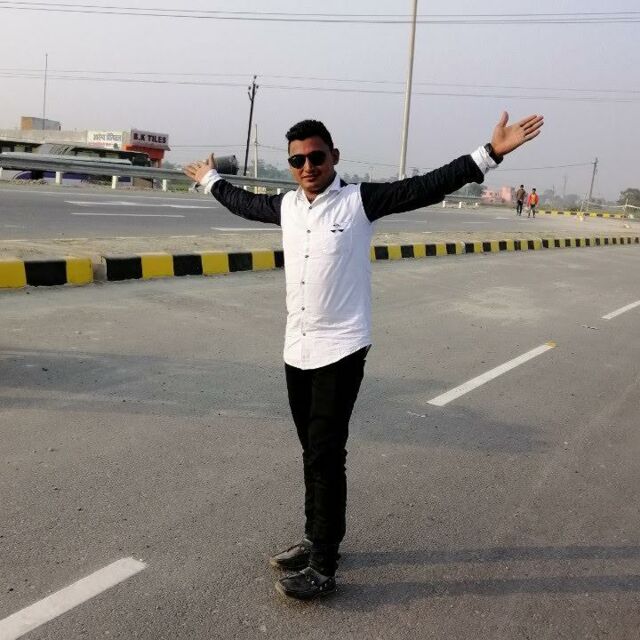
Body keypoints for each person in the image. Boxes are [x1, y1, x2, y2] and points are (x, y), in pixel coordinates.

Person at [184, 111, 544, 601]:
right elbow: (243, 203)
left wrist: (490, 153)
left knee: (327, 453)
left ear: (334, 157)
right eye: (297, 161)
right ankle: (316, 537)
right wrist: (210, 179)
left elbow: (425, 186)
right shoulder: (287, 206)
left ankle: (324, 566)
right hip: (297, 346)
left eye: (316, 157)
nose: (307, 167)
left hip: (342, 347)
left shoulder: (358, 201)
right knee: (312, 451)